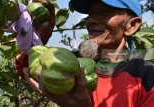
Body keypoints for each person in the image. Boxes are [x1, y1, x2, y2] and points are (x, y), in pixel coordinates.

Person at [20, 0, 154, 107]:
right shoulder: (71, 60)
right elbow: (26, 68)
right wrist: (37, 38)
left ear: (131, 26)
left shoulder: (147, 77)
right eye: (90, 14)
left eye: (103, 12)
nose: (91, 21)